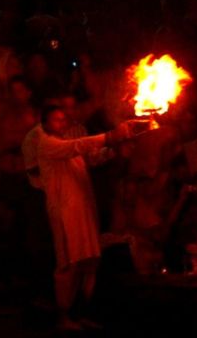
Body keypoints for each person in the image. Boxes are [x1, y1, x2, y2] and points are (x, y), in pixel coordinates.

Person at [36, 105, 132, 331]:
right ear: (46, 124)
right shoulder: (47, 144)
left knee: (90, 261)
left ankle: (82, 313)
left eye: (63, 119)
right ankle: (63, 317)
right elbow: (77, 146)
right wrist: (109, 136)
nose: (62, 123)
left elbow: (91, 158)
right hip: (65, 212)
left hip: (84, 211)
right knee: (69, 264)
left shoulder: (67, 146)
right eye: (56, 120)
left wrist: (114, 149)